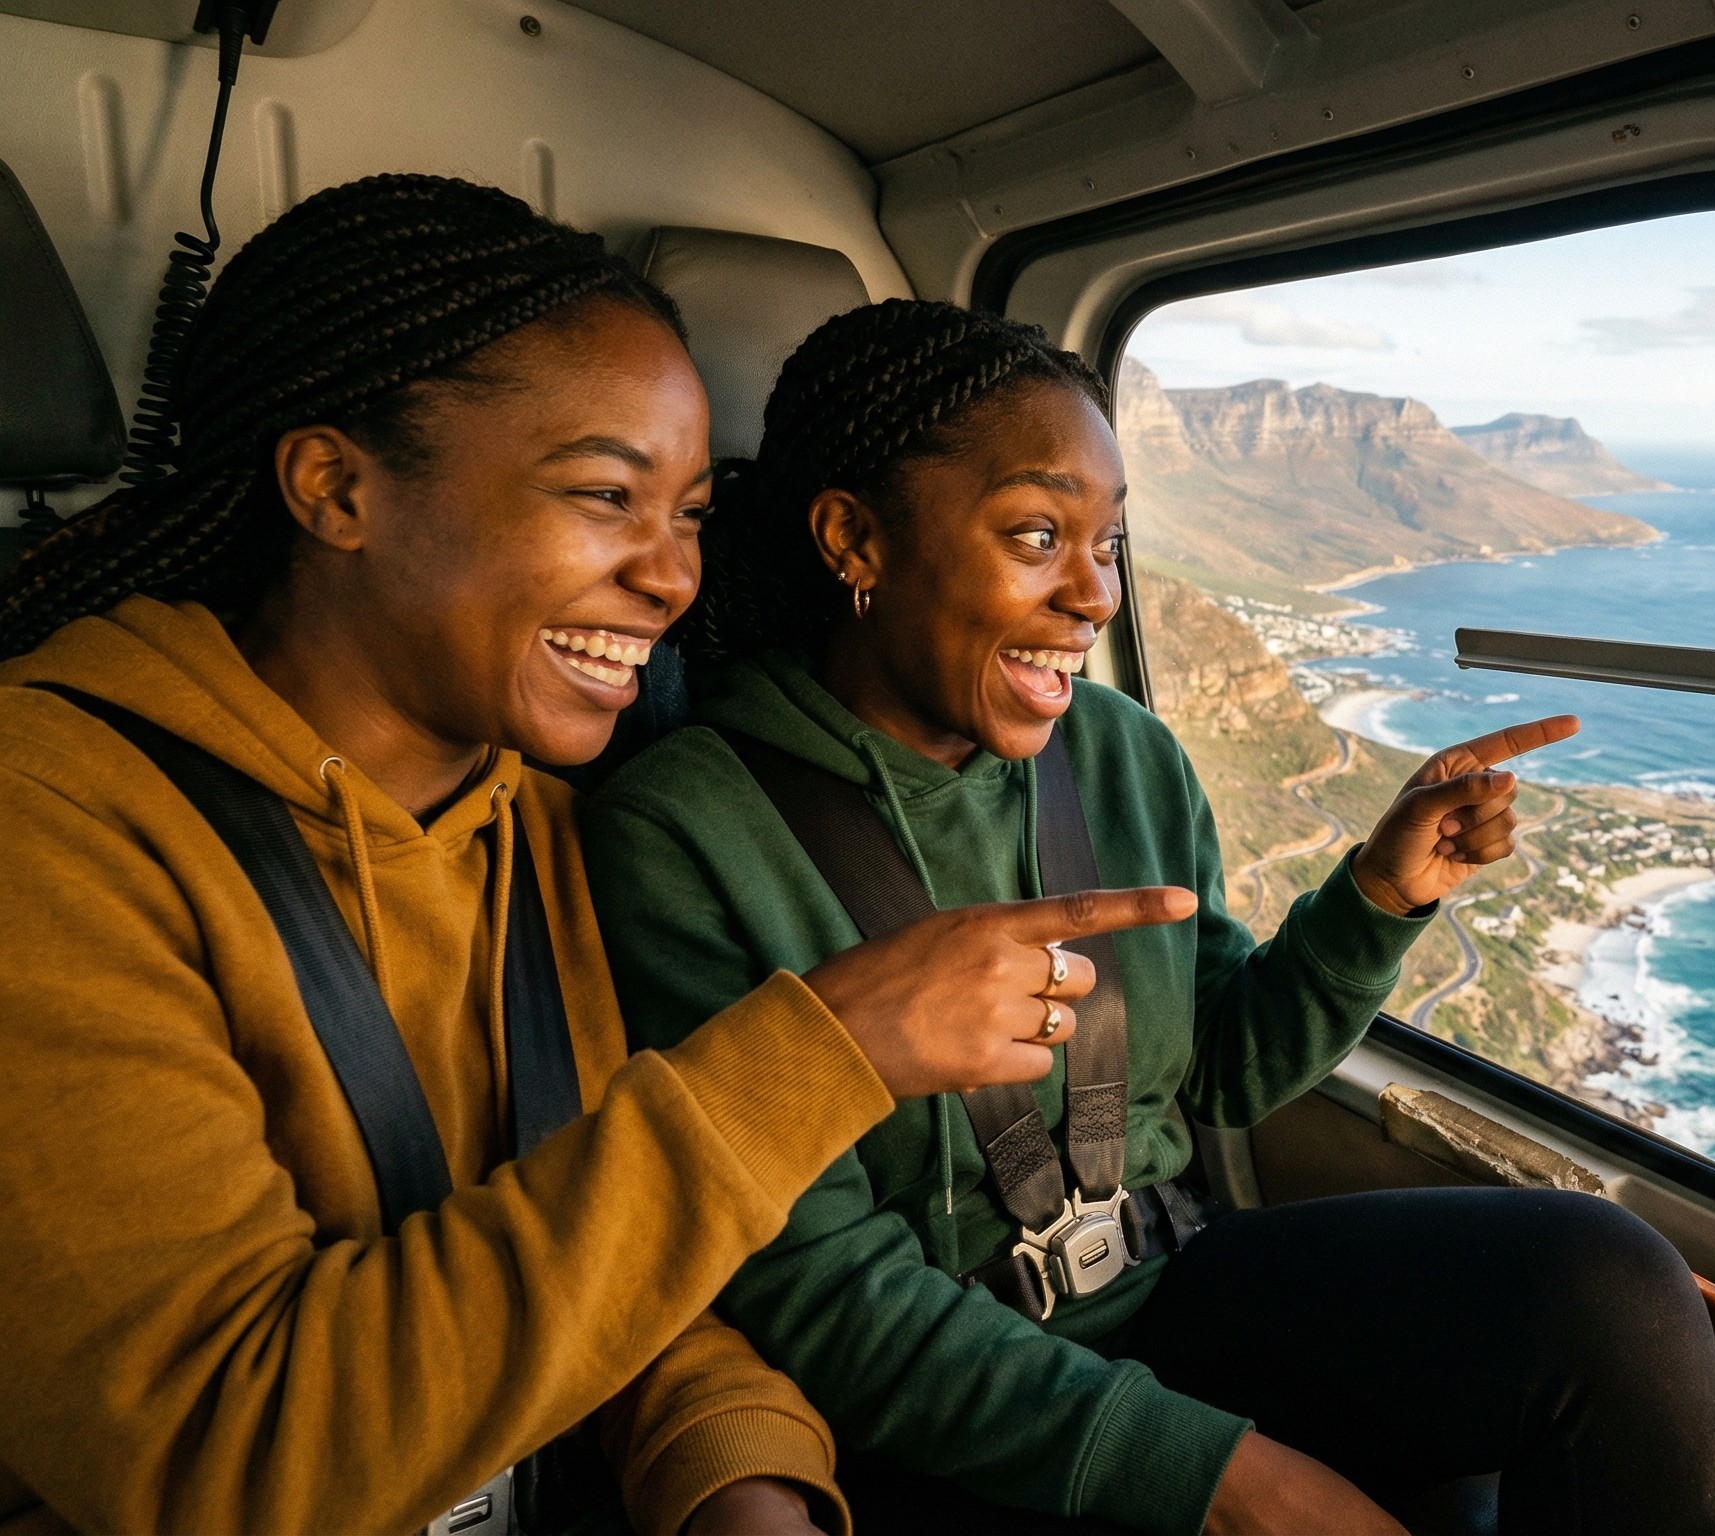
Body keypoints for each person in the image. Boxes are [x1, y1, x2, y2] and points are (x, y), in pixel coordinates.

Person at [0, 177, 1192, 1536]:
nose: (672, 579)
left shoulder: (540, 829)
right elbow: (225, 1455)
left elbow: (619, 1270)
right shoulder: (51, 828)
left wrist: (741, 1482)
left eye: (686, 514)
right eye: (606, 496)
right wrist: (828, 1049)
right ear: (338, 488)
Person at [581, 298, 1715, 1535]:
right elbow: (816, 1287)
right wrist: (1228, 1483)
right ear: (853, 540)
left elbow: (1224, 1068)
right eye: (1037, 536)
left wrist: (1380, 898)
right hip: (942, 1404)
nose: (1094, 595)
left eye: (1108, 544)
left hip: (1174, 1289)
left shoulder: (1121, 756)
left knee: (1605, 1285)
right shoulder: (681, 831)